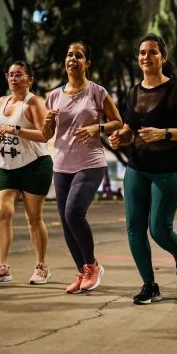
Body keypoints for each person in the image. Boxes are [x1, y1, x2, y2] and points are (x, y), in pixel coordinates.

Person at [108, 33, 177, 305]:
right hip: (137, 168)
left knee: (159, 230)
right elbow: (128, 129)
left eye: (152, 52)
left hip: (168, 170)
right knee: (134, 229)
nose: (146, 57)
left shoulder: (176, 91)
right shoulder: (134, 91)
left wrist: (165, 134)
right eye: (142, 53)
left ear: (164, 57)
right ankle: (149, 285)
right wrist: (119, 138)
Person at [43, 41, 123, 294]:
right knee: (66, 223)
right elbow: (47, 134)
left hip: (90, 162)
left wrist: (96, 128)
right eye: (69, 55)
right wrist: (47, 122)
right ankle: (82, 271)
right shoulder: (54, 96)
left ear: (87, 63)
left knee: (73, 214)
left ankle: (93, 265)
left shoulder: (97, 92)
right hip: (62, 164)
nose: (72, 59)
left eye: (78, 56)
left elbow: (118, 122)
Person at [0, 60, 53, 284]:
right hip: (7, 166)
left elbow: (44, 135)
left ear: (30, 79)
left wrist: (16, 129)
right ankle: (2, 267)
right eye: (11, 74)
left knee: (33, 218)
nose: (14, 78)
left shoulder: (34, 103)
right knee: (3, 212)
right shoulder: (1, 102)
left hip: (35, 165)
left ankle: (42, 267)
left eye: (19, 74)